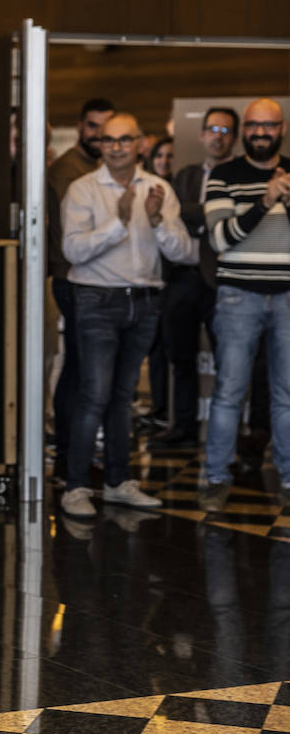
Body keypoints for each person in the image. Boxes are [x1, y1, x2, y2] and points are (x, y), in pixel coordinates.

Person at [58, 113, 197, 519]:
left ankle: (119, 482)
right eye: (108, 140)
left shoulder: (160, 189)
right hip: (97, 300)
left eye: (125, 139)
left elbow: (185, 253)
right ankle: (77, 486)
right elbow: (73, 251)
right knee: (94, 394)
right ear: (99, 145)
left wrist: (155, 221)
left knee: (123, 398)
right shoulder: (83, 190)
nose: (116, 146)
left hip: (146, 301)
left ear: (141, 144)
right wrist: (118, 223)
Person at [201, 99, 290, 505]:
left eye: (268, 126)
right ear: (244, 131)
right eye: (253, 125)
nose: (260, 133)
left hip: (288, 296)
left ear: (282, 128)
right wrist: (265, 201)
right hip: (238, 296)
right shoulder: (224, 175)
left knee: (286, 394)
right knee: (229, 391)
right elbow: (220, 239)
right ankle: (216, 477)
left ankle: (289, 479)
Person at [153, 108, 238, 450]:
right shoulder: (184, 176)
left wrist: (197, 215)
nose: (218, 135)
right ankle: (183, 427)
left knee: (227, 361)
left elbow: (233, 221)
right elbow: (178, 217)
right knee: (181, 357)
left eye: (225, 130)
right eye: (212, 129)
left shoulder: (238, 176)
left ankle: (225, 433)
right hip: (183, 280)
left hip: (223, 280)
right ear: (202, 135)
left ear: (234, 137)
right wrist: (209, 218)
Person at [48, 98, 115, 485]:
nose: (99, 136)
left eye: (106, 130)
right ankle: (67, 461)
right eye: (93, 127)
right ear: (80, 127)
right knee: (78, 372)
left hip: (101, 281)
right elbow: (65, 240)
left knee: (90, 372)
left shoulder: (105, 169)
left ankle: (79, 457)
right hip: (73, 280)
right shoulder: (66, 172)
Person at [141, 136, 175, 427]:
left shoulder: (176, 193)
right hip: (148, 281)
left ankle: (168, 410)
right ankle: (158, 406)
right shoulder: (145, 190)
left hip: (174, 280)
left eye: (170, 156)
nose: (165, 161)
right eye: (159, 156)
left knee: (171, 348)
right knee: (154, 350)